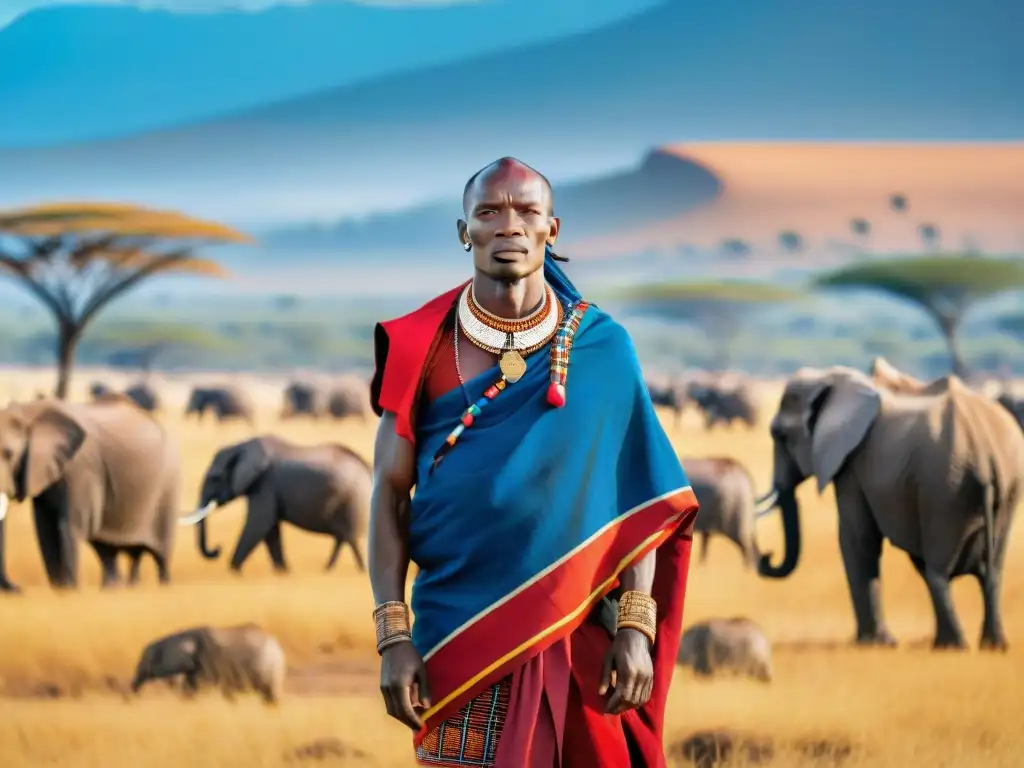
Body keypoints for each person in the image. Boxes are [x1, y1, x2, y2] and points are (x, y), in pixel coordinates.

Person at [368, 156, 699, 767]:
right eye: (489, 212)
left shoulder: (602, 348)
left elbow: (639, 497)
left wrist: (635, 626)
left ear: (553, 227)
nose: (508, 225)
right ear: (463, 231)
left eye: (526, 211)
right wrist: (393, 635)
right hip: (459, 628)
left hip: (576, 629)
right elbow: (388, 495)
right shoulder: (422, 345)